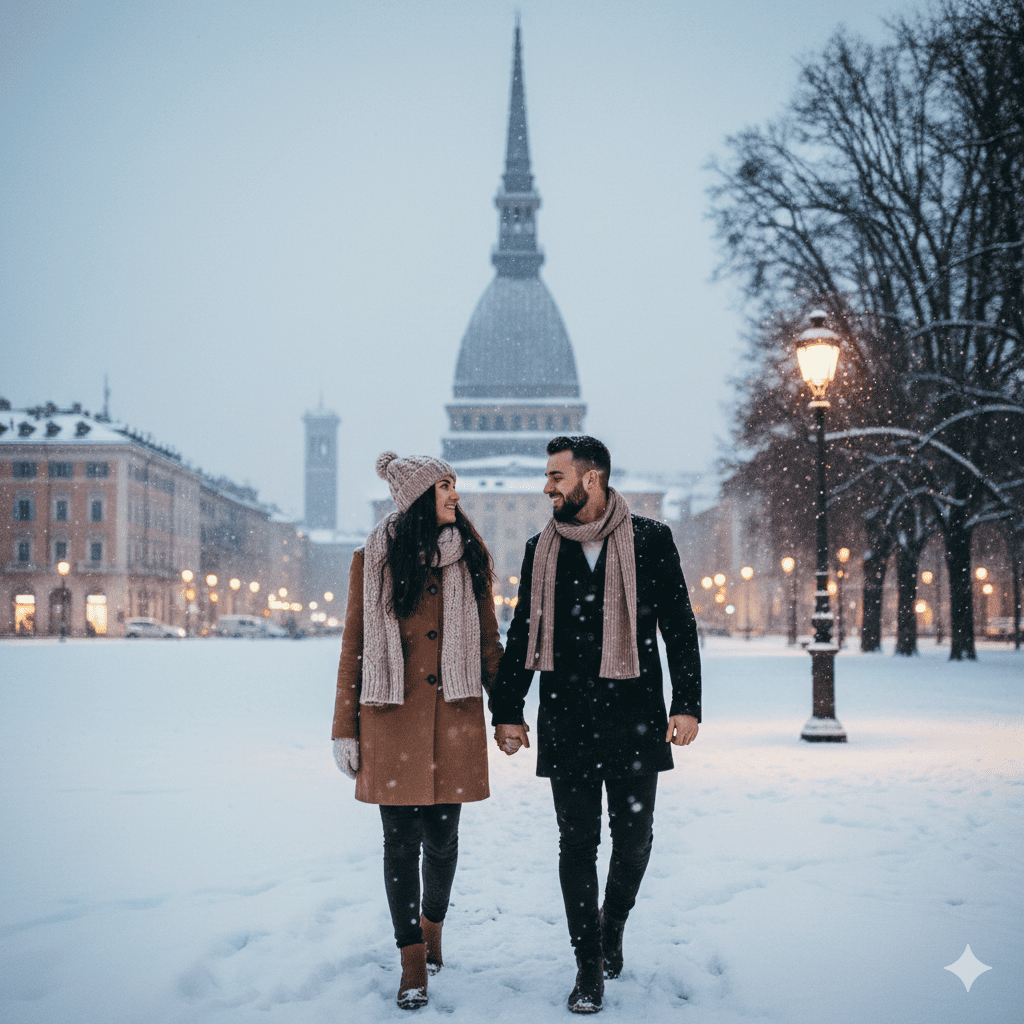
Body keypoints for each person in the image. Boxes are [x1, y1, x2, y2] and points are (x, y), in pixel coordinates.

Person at [491, 436, 701, 1014]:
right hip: (566, 718)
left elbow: (679, 627)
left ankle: (613, 926)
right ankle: (588, 963)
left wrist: (688, 703)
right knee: (577, 845)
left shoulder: (651, 541)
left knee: (633, 844)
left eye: (556, 477)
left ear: (592, 479)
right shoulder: (541, 549)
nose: (546, 487)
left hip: (636, 719)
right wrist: (507, 710)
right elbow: (520, 636)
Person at [332, 452, 503, 1010]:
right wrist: (344, 728)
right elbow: (354, 648)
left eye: (454, 485)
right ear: (416, 498)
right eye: (445, 487)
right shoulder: (371, 560)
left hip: (452, 721)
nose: (455, 495)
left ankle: (432, 927)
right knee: (399, 845)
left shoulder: (470, 558)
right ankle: (411, 961)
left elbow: (487, 646)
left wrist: (507, 712)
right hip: (389, 723)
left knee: (442, 840)